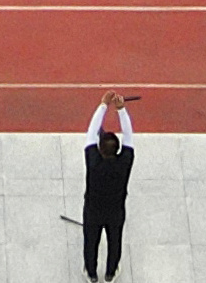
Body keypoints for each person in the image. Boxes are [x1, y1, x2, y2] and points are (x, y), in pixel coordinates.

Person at [81, 93, 139, 280]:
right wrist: (121, 110)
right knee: (115, 241)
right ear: (117, 148)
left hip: (93, 210)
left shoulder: (93, 161)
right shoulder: (124, 162)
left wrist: (103, 105)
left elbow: (91, 132)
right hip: (115, 211)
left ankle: (91, 273)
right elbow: (129, 136)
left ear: (100, 148)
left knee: (91, 241)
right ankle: (110, 273)